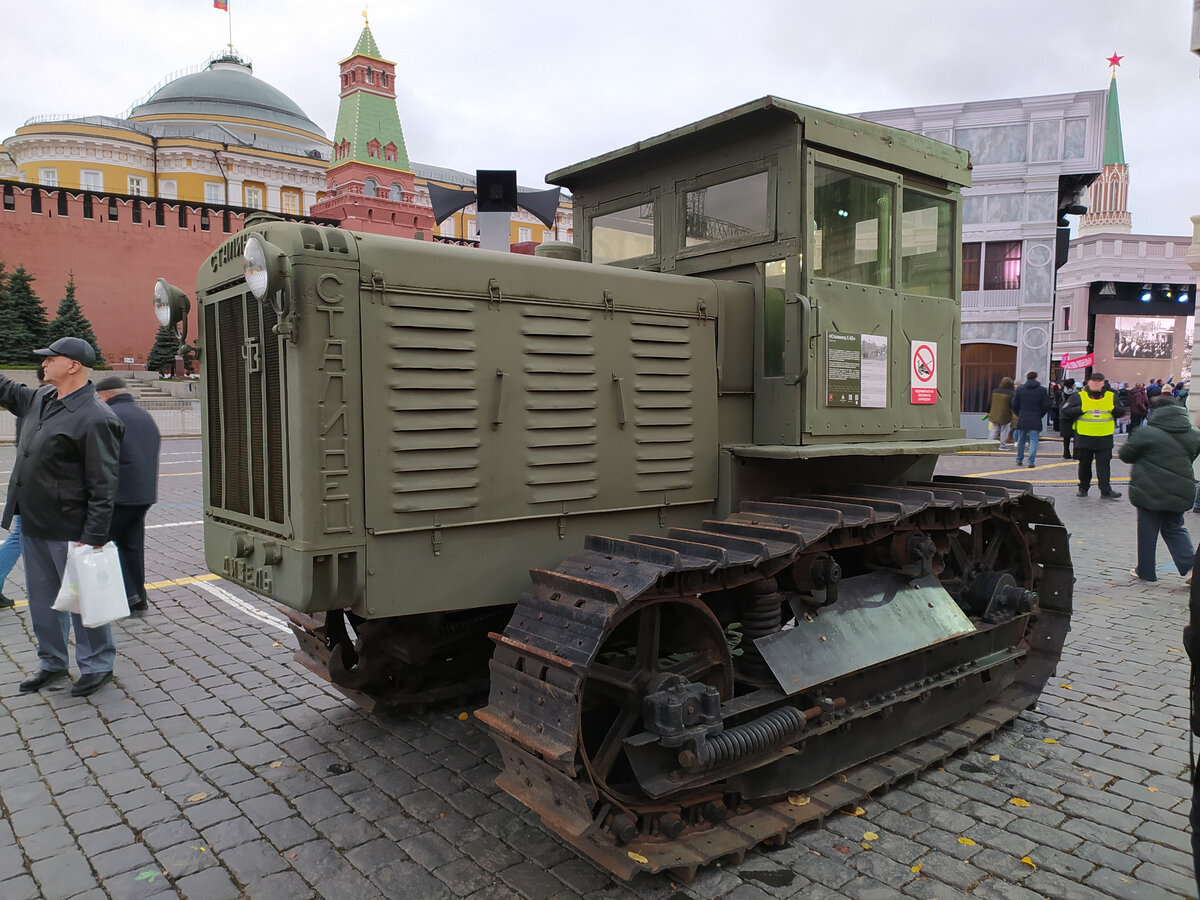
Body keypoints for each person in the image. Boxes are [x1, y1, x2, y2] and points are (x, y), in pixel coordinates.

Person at [0, 337, 124, 697]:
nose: (42, 363)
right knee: (43, 602)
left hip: (72, 528)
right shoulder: (42, 398)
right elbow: (6, 389)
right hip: (34, 522)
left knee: (83, 602)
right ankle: (51, 664)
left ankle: (97, 664)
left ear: (73, 365)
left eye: (49, 358)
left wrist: (94, 536)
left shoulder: (97, 418)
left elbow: (104, 486)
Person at [94, 376, 161, 615]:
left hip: (118, 495)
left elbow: (102, 459)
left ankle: (97, 597)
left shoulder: (110, 416)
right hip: (142, 494)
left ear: (104, 395)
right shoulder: (142, 415)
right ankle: (135, 597)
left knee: (95, 544)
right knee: (132, 545)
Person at [1118, 395, 1200, 582]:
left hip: (1149, 489)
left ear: (1154, 411)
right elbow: (1192, 455)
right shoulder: (1194, 433)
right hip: (1181, 487)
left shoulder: (1145, 432)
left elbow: (1125, 454)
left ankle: (1145, 571)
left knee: (1147, 530)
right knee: (1174, 527)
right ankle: (1192, 568)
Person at [1060, 371, 1125, 499]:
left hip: (1104, 437)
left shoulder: (1111, 397)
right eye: (1094, 381)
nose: (1096, 383)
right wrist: (1080, 410)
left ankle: (1105, 490)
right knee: (1084, 465)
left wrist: (1114, 409)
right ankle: (1083, 488)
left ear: (1103, 383)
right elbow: (1065, 411)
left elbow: (1121, 411)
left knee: (1104, 466)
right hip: (1084, 437)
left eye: (1099, 381)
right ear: (1089, 382)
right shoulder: (1079, 396)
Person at [1011, 371, 1051, 468]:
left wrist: (1019, 414)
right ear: (1036, 378)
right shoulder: (1042, 390)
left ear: (1027, 378)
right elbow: (1046, 405)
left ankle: (1019, 458)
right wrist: (1040, 414)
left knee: (1021, 440)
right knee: (1034, 440)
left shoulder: (1020, 389)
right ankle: (1031, 462)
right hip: (1036, 417)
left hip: (1023, 417)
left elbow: (1014, 404)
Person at [987, 376, 1015, 450]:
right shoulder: (1011, 393)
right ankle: (1002, 446)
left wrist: (988, 411)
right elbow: (1012, 404)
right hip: (1005, 414)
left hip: (994, 413)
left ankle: (988, 444)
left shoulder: (995, 391)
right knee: (1004, 430)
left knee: (995, 429)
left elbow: (989, 403)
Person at [1059, 378, 1078, 459]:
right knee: (1076, 437)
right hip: (1074, 416)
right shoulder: (1077, 394)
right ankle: (1076, 453)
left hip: (1064, 416)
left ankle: (1066, 453)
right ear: (1072, 385)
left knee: (1066, 437)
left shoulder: (1062, 393)